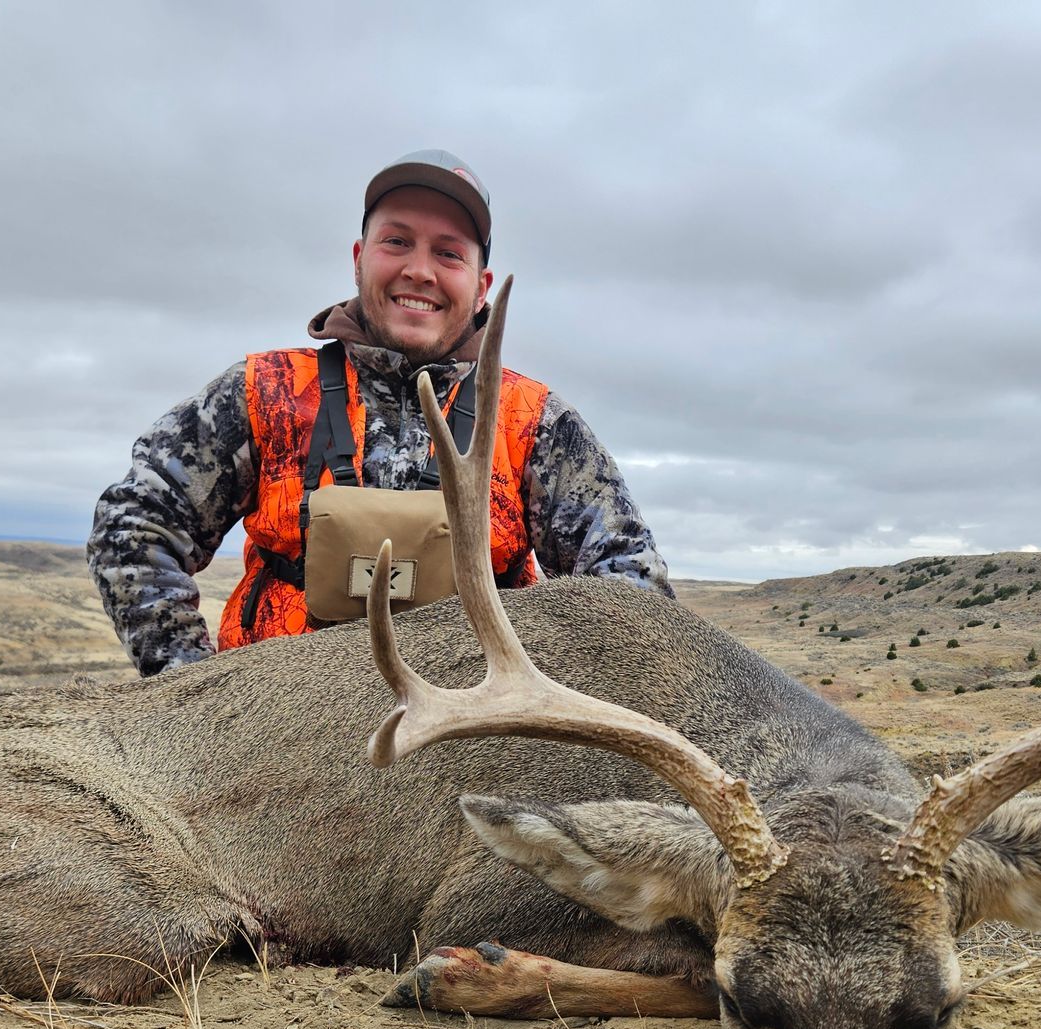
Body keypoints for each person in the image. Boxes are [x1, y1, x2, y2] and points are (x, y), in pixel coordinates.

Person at [87, 150, 672, 676]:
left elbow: (631, 591)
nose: (420, 270)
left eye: (449, 254)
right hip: (270, 743)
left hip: (474, 746)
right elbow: (134, 524)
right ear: (359, 258)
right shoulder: (264, 391)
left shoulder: (534, 421)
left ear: (481, 283)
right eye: (397, 242)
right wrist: (190, 690)